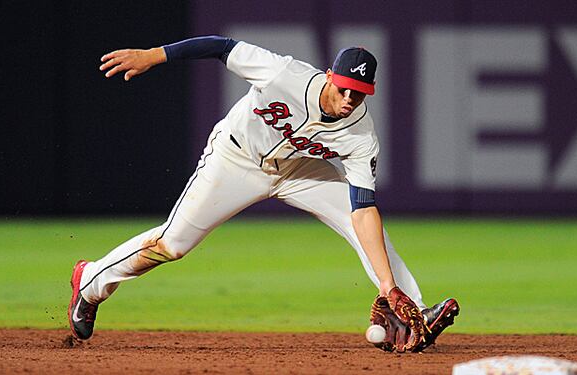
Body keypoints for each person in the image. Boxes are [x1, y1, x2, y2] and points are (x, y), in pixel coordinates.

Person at [67, 35, 459, 352]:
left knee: (365, 230)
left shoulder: (360, 134)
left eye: (359, 94)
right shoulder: (283, 73)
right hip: (236, 159)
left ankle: (412, 307)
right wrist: (155, 55)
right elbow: (221, 47)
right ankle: (90, 281)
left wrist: (387, 285)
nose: (348, 100)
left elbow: (362, 210)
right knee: (173, 244)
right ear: (329, 76)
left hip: (302, 170)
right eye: (344, 89)